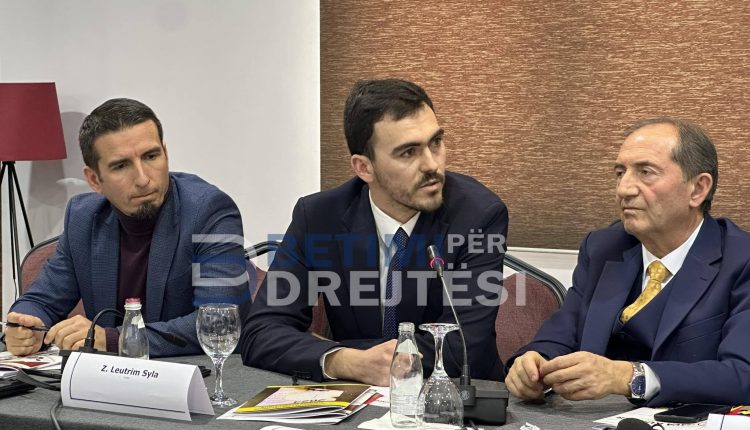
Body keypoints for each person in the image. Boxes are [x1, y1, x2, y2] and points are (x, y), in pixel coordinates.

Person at [241, 79, 508, 385]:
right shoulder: (319, 217)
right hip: (356, 398)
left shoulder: (478, 215)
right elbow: (261, 333)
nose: (432, 164)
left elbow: (465, 348)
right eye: (408, 152)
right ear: (364, 168)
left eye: (435, 142)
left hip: (454, 397)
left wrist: (343, 349)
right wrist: (343, 361)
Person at [505, 117, 750, 406]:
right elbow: (559, 337)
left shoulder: (741, 260)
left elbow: (742, 376)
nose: (624, 189)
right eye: (620, 173)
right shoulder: (604, 248)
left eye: (646, 172)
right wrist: (533, 363)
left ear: (698, 189)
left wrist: (629, 376)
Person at [4, 98, 249, 357]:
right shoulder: (83, 217)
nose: (143, 179)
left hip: (195, 373)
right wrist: (26, 326)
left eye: (151, 156)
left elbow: (220, 323)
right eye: (121, 166)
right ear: (94, 179)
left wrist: (115, 339)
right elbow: (42, 300)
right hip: (109, 376)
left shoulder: (209, 211)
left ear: (166, 154)